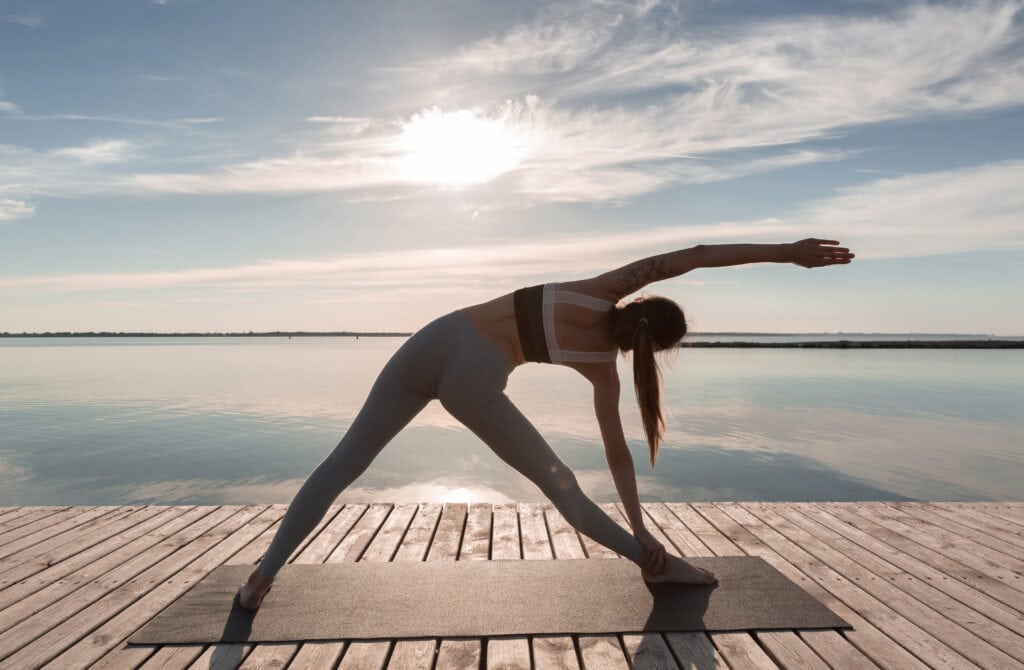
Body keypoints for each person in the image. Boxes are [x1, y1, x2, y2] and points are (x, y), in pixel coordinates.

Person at [237, 238, 854, 610]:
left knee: (342, 466)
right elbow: (616, 457)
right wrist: (640, 524)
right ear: (655, 348)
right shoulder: (603, 370)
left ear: (640, 305)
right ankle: (656, 563)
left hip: (435, 337)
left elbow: (691, 258)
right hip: (474, 381)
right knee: (564, 490)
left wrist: (785, 253)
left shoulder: (605, 287)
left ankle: (262, 577)